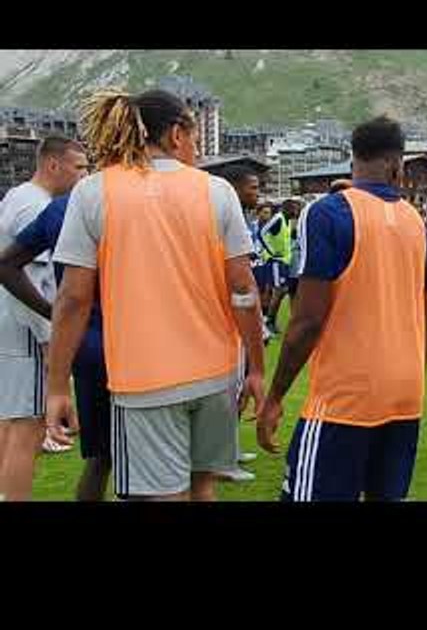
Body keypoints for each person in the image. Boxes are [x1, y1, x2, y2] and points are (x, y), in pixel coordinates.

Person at [46, 88, 265, 502]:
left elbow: (73, 299)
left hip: (145, 381)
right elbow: (243, 289)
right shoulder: (216, 190)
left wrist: (57, 386)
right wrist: (255, 367)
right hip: (217, 373)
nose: (197, 148)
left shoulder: (94, 191)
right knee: (203, 489)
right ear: (177, 134)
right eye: (196, 138)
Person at [257, 116, 427, 501]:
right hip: (406, 395)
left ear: (352, 159)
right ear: (398, 165)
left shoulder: (327, 213)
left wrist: (274, 397)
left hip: (345, 399)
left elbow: (307, 322)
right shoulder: (419, 225)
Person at [0, 136, 89, 501]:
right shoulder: (34, 208)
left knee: (9, 425)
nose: (86, 176)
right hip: (25, 331)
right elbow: (31, 278)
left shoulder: (16, 196)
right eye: (80, 167)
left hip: (8, 327)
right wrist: (50, 335)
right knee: (29, 431)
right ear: (54, 165)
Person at [219, 164, 268, 484]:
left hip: (237, 318)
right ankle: (221, 461)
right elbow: (237, 280)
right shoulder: (223, 215)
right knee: (227, 392)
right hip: (226, 317)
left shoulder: (242, 218)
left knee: (236, 388)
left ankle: (230, 450)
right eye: (252, 187)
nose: (257, 193)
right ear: (235, 189)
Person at [261, 199, 298, 337]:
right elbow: (262, 232)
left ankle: (269, 321)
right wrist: (270, 251)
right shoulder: (278, 218)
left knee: (277, 291)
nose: (296, 211)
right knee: (279, 291)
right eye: (294, 208)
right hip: (276, 261)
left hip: (284, 262)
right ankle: (268, 322)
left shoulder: (287, 221)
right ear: (287, 208)